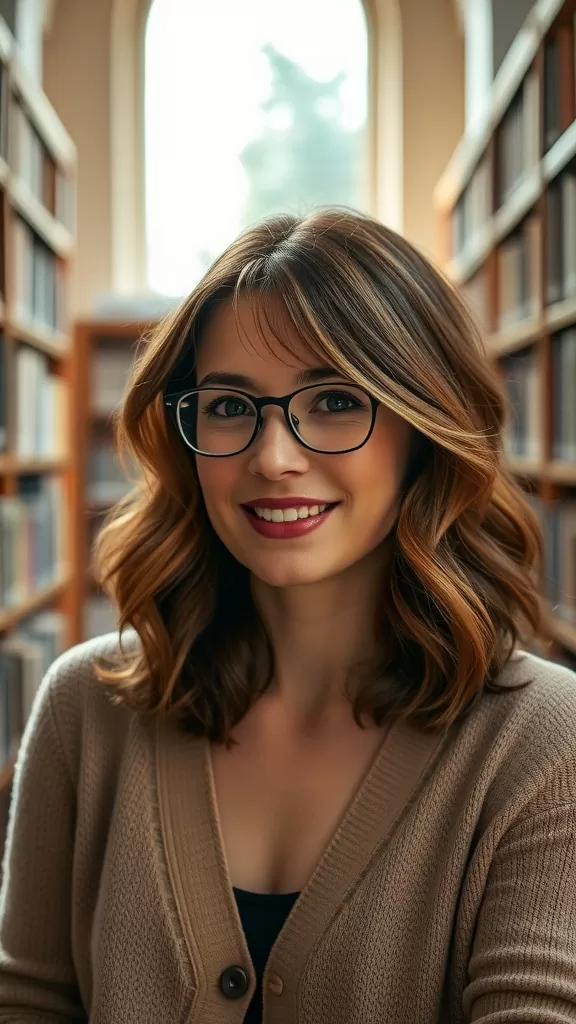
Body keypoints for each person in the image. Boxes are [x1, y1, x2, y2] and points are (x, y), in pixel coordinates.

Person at [1, 208, 575, 1024]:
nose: (274, 458)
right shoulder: (85, 708)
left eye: (336, 400)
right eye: (231, 408)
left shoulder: (546, 745)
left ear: (423, 426)